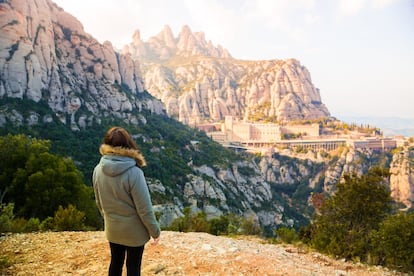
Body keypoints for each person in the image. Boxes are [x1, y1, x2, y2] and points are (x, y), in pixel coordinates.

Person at [93, 126, 160, 276]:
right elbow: (144, 209)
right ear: (129, 144)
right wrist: (154, 231)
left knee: (115, 263)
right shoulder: (134, 172)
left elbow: (99, 202)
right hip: (134, 233)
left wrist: (110, 219)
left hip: (113, 228)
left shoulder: (98, 169)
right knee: (133, 266)